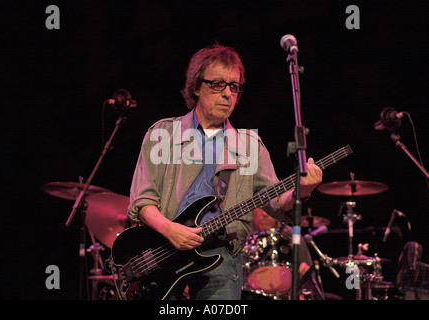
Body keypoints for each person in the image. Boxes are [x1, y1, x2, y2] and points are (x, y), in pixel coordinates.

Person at [127, 43, 323, 300]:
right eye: (218, 84)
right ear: (196, 87)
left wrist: (304, 188)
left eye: (234, 86)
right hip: (165, 251)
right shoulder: (162, 134)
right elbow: (142, 200)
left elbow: (276, 202)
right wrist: (168, 229)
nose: (228, 94)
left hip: (221, 255)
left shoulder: (249, 146)